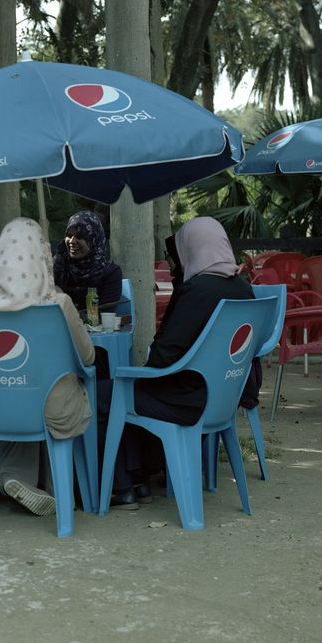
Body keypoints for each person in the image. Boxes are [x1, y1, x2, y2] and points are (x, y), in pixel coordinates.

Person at [99, 216, 257, 509]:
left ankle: (123, 486)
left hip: (186, 399)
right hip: (223, 399)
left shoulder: (197, 291)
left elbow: (163, 357)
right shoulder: (244, 289)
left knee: (104, 394)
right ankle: (141, 481)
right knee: (127, 392)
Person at [0, 217, 95, 516]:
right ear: (42, 255)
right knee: (48, 389)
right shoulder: (57, 303)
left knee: (14, 388)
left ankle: (14, 477)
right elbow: (88, 358)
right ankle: (58, 487)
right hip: (52, 409)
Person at [53, 210, 123, 314]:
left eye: (80, 237)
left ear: (94, 240)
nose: (72, 241)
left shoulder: (110, 273)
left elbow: (104, 314)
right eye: (69, 235)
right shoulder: (59, 266)